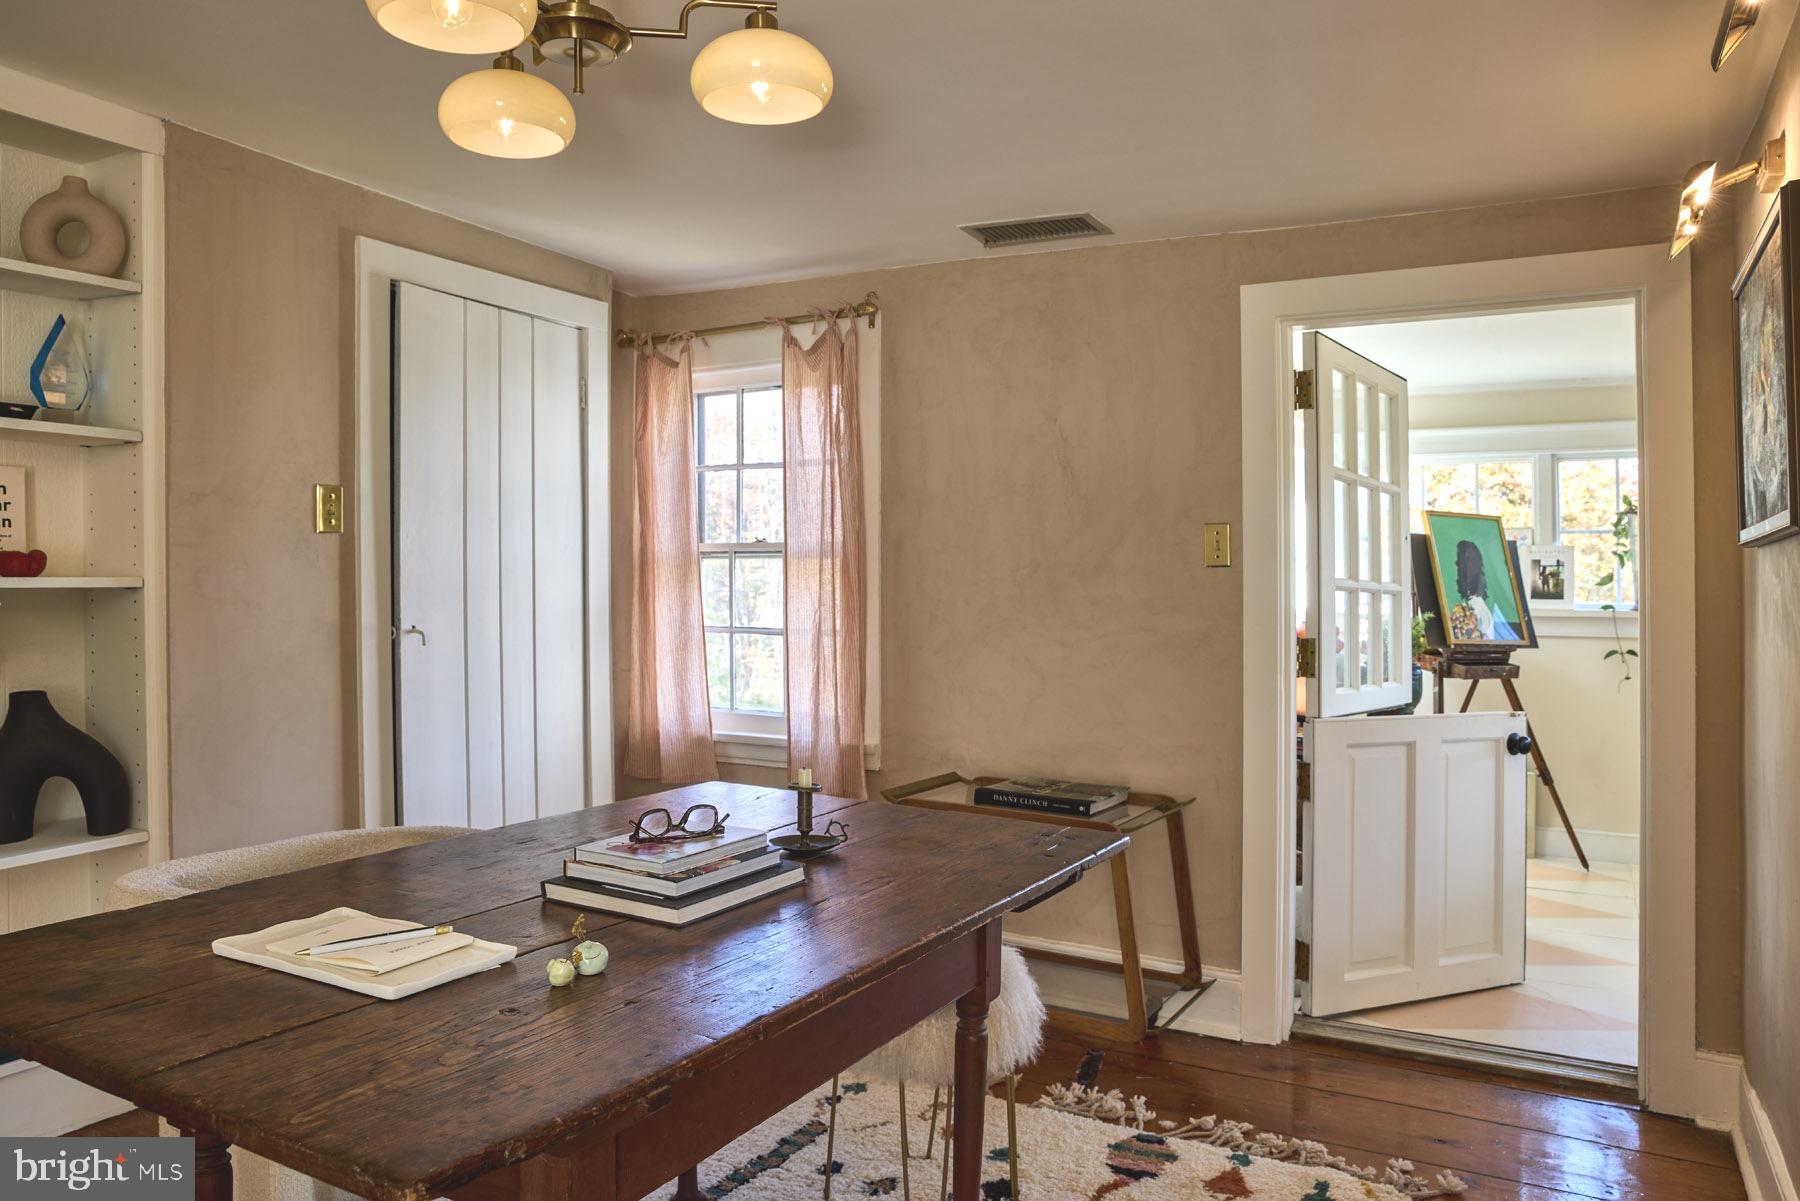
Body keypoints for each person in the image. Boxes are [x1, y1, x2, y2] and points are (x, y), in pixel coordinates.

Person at [1446, 539, 1520, 642]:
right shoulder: (1470, 606)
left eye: (1460, 561)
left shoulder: (1479, 609)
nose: (1456, 564)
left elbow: (1484, 642)